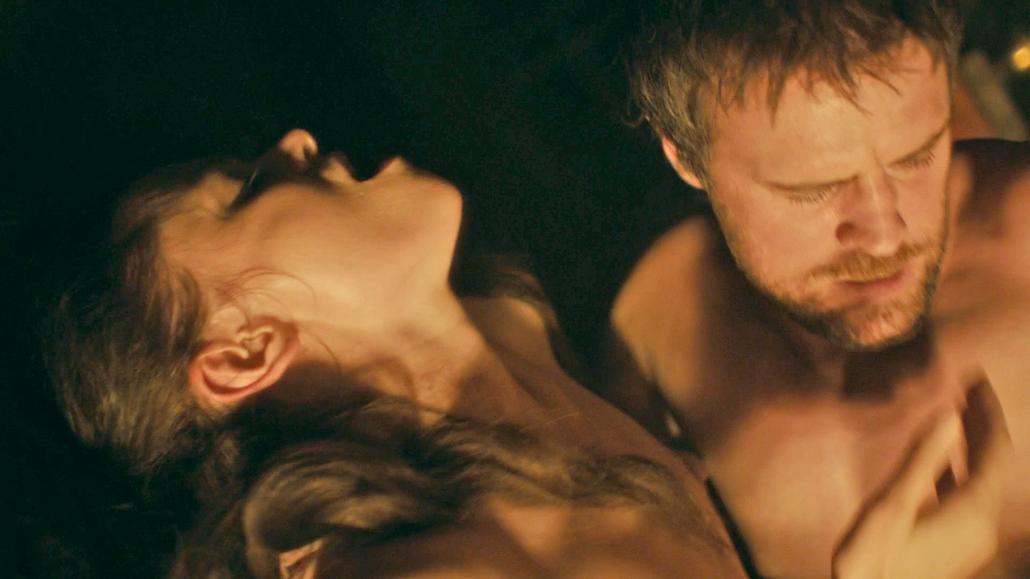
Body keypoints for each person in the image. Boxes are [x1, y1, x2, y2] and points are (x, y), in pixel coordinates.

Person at [48, 128, 1006, 577]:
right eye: (245, 191)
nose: (294, 141)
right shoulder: (387, 569)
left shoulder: (533, 359)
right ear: (244, 355)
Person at [604, 0, 1029, 576]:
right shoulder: (647, 325)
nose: (885, 236)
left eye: (917, 156)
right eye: (812, 190)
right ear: (686, 157)